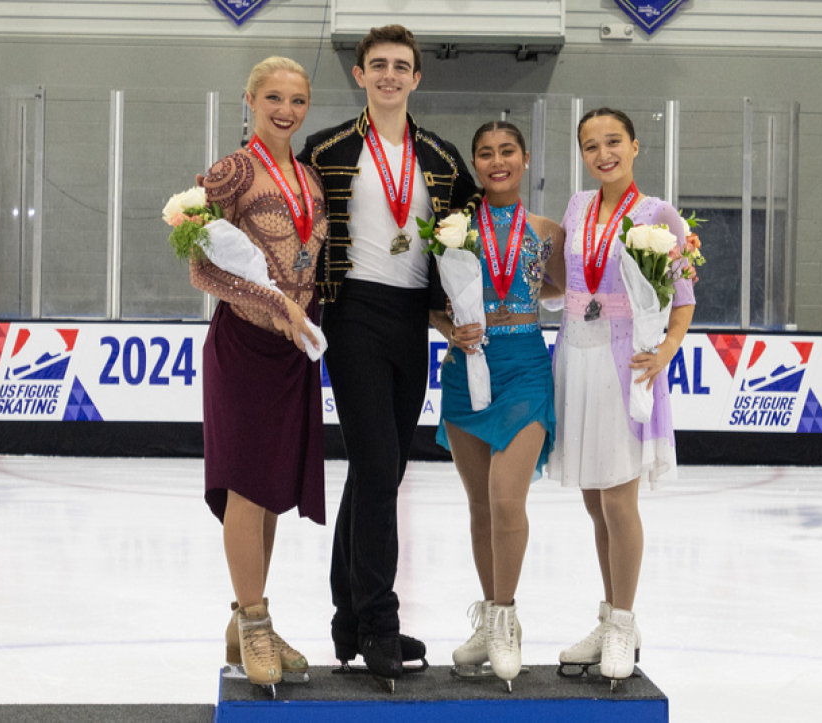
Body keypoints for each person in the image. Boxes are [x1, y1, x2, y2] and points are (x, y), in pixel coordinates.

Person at [299, 24, 478, 685]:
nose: (390, 75)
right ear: (360, 75)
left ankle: (349, 616)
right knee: (377, 469)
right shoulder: (326, 149)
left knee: (381, 470)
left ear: (416, 77)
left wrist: (460, 306)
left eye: (401, 66)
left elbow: (470, 229)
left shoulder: (441, 156)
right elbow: (294, 222)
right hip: (352, 315)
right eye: (378, 65)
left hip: (412, 320)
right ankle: (377, 619)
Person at [188, 56, 328, 690]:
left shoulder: (310, 177)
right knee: (247, 487)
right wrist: (275, 306)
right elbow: (202, 268)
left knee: (271, 491)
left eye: (297, 100)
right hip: (245, 347)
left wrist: (303, 317)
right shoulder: (232, 171)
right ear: (249, 100)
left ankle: (247, 619)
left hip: (292, 352)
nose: (285, 110)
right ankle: (254, 623)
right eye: (273, 97)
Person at [548, 107, 696, 683]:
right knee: (594, 501)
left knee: (617, 500)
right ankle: (612, 616)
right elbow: (564, 282)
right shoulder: (577, 206)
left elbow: (682, 300)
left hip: (623, 362)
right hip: (574, 355)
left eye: (613, 142)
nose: (603, 153)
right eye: (591, 145)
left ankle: (625, 622)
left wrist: (666, 351)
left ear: (635, 146)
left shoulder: (659, 215)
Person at [429, 122, 563, 687]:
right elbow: (431, 302)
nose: (496, 161)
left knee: (507, 501)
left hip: (525, 369)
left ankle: (506, 619)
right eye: (485, 154)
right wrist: (451, 328)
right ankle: (488, 616)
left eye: (507, 151)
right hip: (466, 369)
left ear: (525, 159)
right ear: (475, 165)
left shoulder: (547, 231)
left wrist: (517, 301)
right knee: (480, 507)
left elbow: (563, 288)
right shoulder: (451, 230)